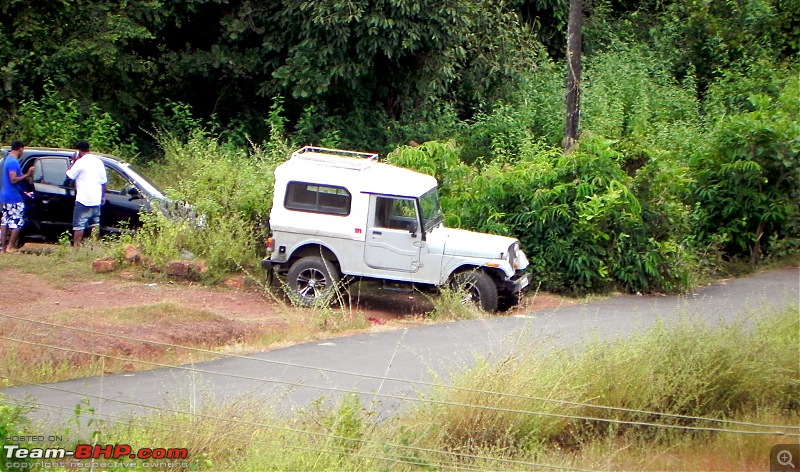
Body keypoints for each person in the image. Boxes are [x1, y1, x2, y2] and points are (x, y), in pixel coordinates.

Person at [66, 141, 107, 245]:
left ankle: (77, 247)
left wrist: (73, 162)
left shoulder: (80, 162)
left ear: (79, 151)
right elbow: (104, 182)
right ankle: (94, 245)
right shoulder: (99, 162)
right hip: (96, 199)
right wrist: (103, 196)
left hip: (83, 199)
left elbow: (69, 176)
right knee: (95, 224)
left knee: (79, 225)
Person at [0, 141, 35, 252]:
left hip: (5, 196)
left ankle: (3, 247)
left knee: (5, 221)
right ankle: (11, 246)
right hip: (13, 197)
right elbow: (13, 179)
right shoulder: (13, 162)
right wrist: (28, 174)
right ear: (20, 149)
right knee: (17, 222)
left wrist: (25, 178)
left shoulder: (7, 160)